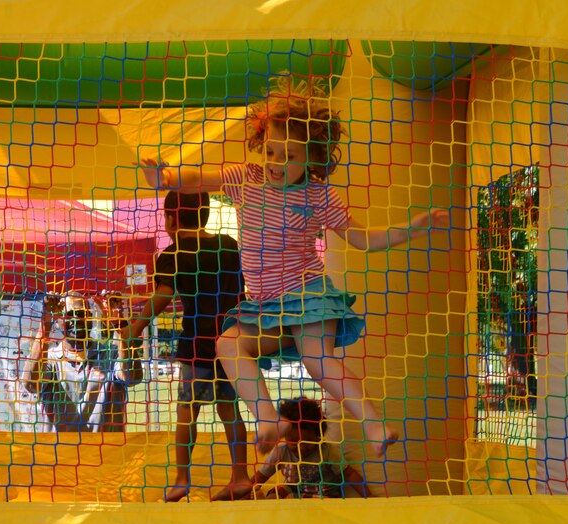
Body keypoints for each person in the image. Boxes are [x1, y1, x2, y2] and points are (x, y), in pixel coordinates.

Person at [140, 76, 450, 495]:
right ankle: (267, 419)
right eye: (270, 150)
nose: (275, 162)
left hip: (307, 295)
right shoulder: (246, 179)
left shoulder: (318, 195)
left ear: (312, 157)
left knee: (317, 360)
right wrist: (167, 178)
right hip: (265, 307)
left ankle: (374, 425)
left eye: (288, 156)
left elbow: (362, 240)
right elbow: (199, 179)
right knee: (228, 344)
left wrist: (414, 228)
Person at [126, 191, 249, 502]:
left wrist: (136, 328)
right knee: (230, 410)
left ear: (172, 217)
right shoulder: (228, 246)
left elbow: (163, 296)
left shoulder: (174, 253)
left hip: (197, 344)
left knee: (187, 411)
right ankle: (240, 475)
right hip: (233, 342)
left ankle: (182, 478)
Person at [20, 294, 137, 433]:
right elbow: (31, 385)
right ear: (58, 321)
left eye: (81, 314)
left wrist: (119, 324)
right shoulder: (49, 358)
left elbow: (132, 377)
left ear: (90, 318)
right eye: (70, 314)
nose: (76, 319)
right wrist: (45, 325)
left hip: (106, 451)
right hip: (61, 452)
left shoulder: (110, 353)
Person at [217, 397, 367, 500]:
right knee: (274, 495)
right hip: (293, 491)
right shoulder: (281, 452)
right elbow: (261, 476)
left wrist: (369, 496)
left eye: (307, 441)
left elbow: (349, 474)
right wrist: (244, 492)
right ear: (284, 436)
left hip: (323, 495)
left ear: (318, 434)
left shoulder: (326, 451)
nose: (300, 447)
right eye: (294, 441)